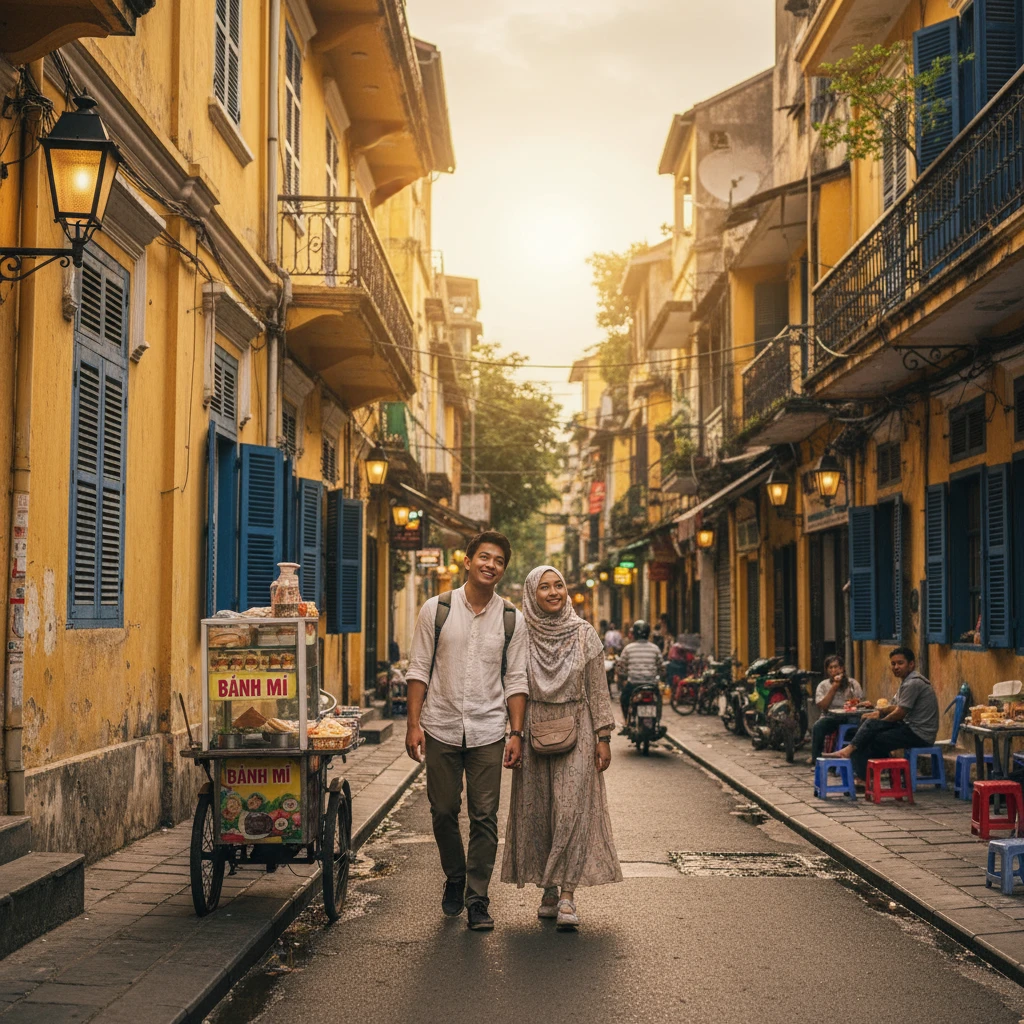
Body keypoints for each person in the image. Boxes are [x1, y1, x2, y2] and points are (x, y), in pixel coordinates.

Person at [404, 530, 529, 931]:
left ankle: (478, 897)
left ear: (503, 570)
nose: (490, 565)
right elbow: (419, 668)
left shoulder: (513, 619)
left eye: (498, 561)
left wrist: (516, 733)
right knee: (442, 811)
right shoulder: (436, 609)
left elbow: (517, 679)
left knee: (485, 816)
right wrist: (413, 724)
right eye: (484, 557)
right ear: (468, 560)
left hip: (489, 730)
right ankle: (455, 876)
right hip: (440, 725)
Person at [502, 566, 622, 930]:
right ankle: (548, 889)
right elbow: (513, 683)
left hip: (579, 730)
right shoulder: (521, 633)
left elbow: (598, 689)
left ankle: (568, 894)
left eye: (559, 586)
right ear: (531, 595)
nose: (554, 592)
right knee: (539, 811)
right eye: (544, 588)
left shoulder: (584, 634)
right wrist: (514, 732)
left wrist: (603, 737)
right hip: (534, 727)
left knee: (571, 810)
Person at [829, 647, 938, 780]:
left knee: (870, 737)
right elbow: (896, 707)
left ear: (911, 664)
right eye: (893, 664)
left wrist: (879, 723)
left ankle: (863, 774)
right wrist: (879, 713)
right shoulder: (907, 681)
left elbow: (899, 713)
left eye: (900, 663)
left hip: (920, 734)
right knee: (862, 732)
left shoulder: (913, 683)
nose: (896, 667)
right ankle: (864, 770)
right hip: (909, 728)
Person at [807, 654, 863, 764]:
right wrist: (834, 687)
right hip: (831, 717)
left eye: (837, 667)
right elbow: (823, 706)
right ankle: (816, 759)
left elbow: (858, 702)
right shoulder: (823, 685)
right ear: (827, 671)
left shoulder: (853, 684)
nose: (834, 670)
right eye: (831, 668)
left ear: (842, 668)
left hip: (850, 717)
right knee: (818, 727)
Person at [615, 619, 664, 731]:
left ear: (634, 633)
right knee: (658, 700)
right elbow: (661, 667)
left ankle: (628, 722)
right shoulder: (655, 648)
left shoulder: (628, 648)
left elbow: (620, 666)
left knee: (624, 699)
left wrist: (623, 675)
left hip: (634, 684)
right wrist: (660, 675)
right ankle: (657, 722)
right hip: (651, 684)